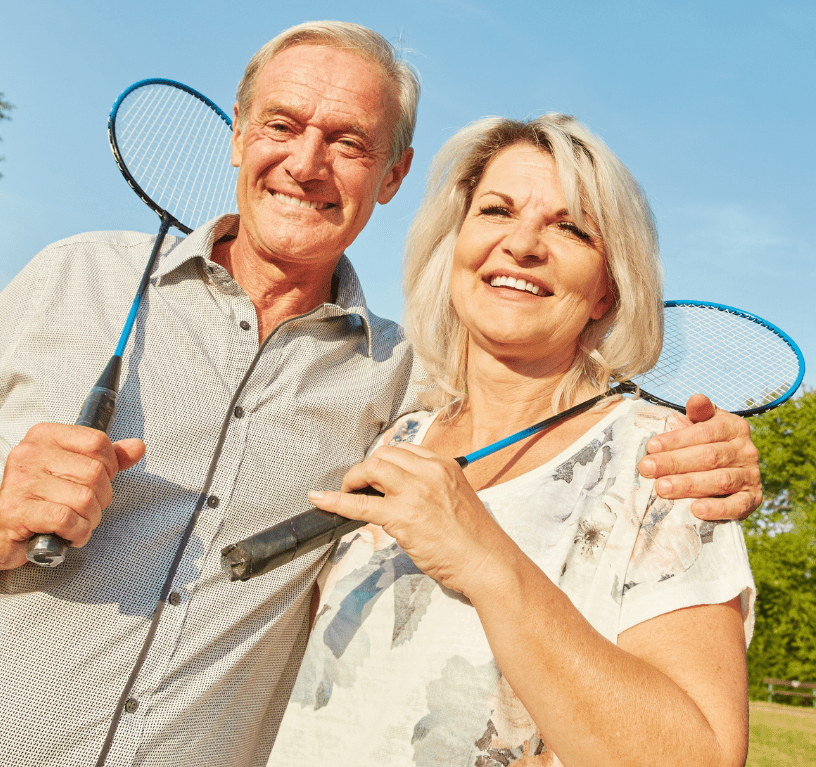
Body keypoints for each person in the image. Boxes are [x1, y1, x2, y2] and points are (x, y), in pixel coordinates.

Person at [0, 25, 760, 767]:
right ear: (240, 134)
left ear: (393, 175)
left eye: (347, 141)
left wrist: (711, 453)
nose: (305, 162)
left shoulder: (396, 384)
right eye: (283, 125)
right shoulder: (73, 278)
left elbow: (550, 413)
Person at [269, 114, 754, 767]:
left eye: (571, 227)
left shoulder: (666, 469)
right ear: (457, 241)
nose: (523, 245)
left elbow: (701, 758)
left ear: (608, 288)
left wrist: (488, 559)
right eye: (496, 211)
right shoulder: (394, 434)